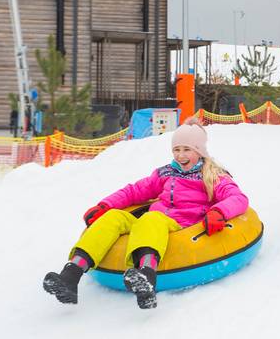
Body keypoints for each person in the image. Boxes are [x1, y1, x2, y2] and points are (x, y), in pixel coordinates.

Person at [42, 124, 249, 309]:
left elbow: (238, 198)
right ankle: (70, 276)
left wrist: (219, 212)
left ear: (200, 151)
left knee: (152, 219)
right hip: (151, 223)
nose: (180, 155)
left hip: (181, 225)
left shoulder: (212, 174)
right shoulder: (165, 173)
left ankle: (147, 276)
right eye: (176, 149)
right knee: (114, 217)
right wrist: (105, 205)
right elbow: (135, 191)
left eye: (187, 149)